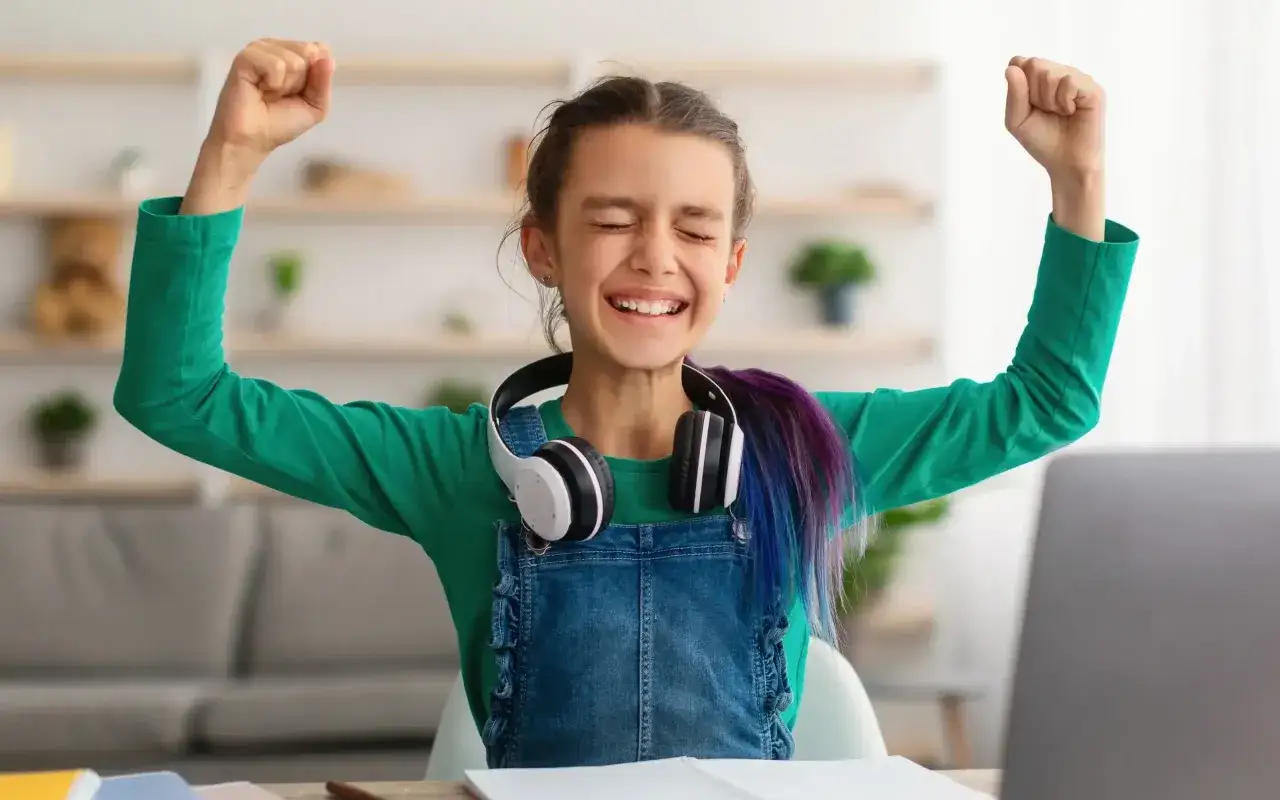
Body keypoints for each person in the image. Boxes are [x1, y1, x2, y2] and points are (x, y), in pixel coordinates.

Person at [114, 39, 1139, 769]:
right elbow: (178, 395)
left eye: (694, 228)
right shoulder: (456, 465)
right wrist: (230, 159)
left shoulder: (802, 446)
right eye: (613, 220)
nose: (655, 257)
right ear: (542, 248)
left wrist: (1078, 177)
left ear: (730, 263)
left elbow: (1047, 400)